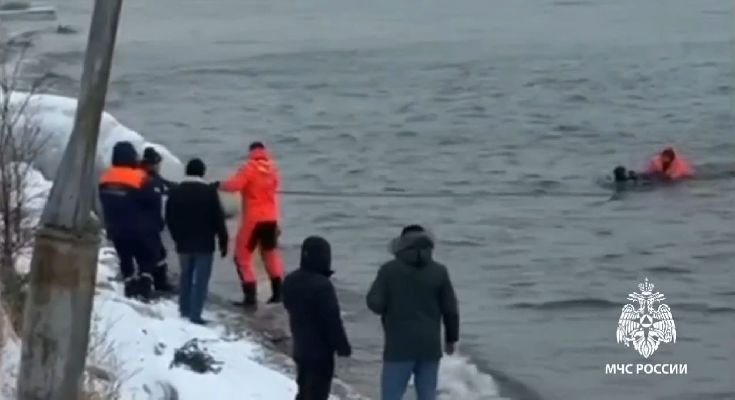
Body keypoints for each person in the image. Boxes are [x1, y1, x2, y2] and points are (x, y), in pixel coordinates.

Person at [367, 225, 459, 400]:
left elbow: (375, 304)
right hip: (430, 346)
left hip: (398, 347)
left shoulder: (389, 270)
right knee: (427, 395)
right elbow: (450, 309)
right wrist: (451, 339)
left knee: (391, 396)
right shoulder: (439, 271)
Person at [215, 141, 284, 309]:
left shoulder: (249, 168)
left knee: (242, 257)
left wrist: (218, 185)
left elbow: (235, 185)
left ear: (251, 152)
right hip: (271, 219)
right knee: (270, 254)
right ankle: (278, 294)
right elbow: (274, 186)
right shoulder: (273, 169)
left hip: (254, 219)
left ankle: (250, 297)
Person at [282, 236, 351, 400]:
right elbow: (332, 320)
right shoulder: (322, 286)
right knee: (317, 394)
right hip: (320, 353)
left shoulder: (290, 280)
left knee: (304, 390)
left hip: (300, 347)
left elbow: (287, 305)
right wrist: (342, 347)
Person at [165, 158, 228, 325]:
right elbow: (218, 219)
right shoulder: (209, 192)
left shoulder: (176, 191)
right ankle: (195, 314)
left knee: (185, 276)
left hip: (183, 243)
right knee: (200, 280)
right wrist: (223, 241)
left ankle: (184, 309)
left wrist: (176, 236)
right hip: (205, 244)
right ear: (203, 173)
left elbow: (169, 216)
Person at [98, 141, 161, 301]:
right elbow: (153, 201)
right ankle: (144, 286)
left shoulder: (105, 178)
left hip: (115, 228)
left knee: (125, 258)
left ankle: (129, 283)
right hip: (139, 229)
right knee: (148, 257)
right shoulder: (140, 178)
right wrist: (157, 224)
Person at [140, 146, 176, 293]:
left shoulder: (148, 176)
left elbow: (166, 185)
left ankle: (156, 282)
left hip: (146, 223)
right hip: (146, 224)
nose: (159, 166)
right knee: (156, 253)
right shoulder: (148, 179)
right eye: (157, 164)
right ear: (151, 164)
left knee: (158, 253)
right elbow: (163, 187)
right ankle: (154, 284)